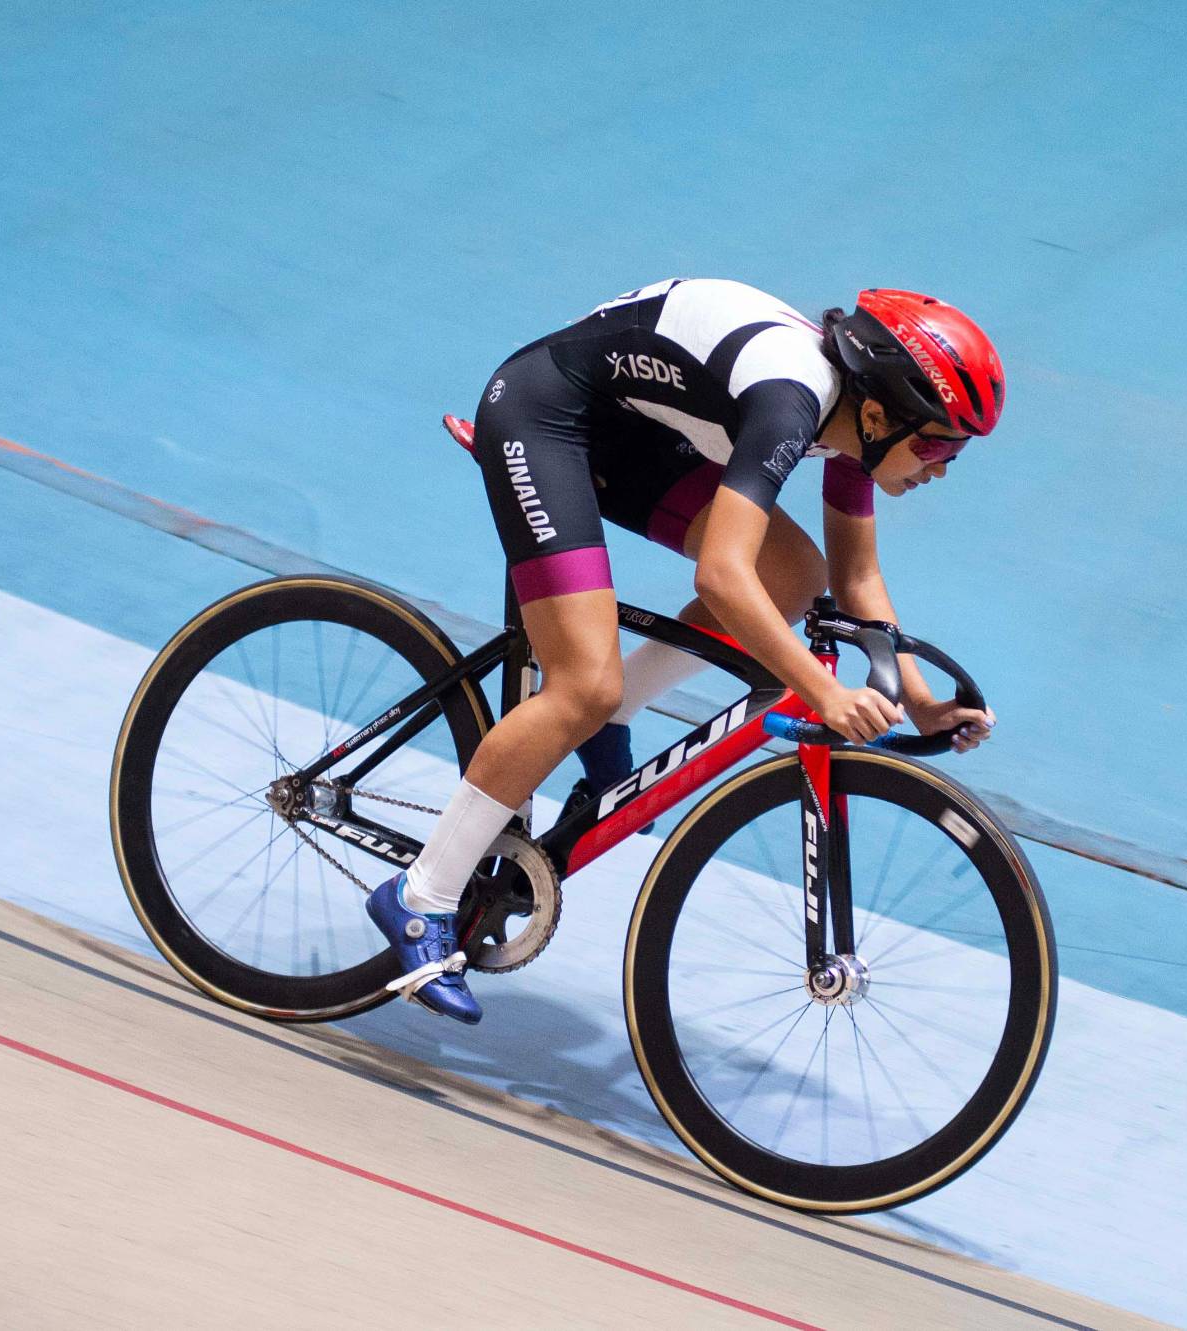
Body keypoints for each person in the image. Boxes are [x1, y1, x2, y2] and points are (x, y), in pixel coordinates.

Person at [365, 279, 1004, 1023]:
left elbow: (855, 575)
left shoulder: (854, 429)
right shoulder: (791, 400)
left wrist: (921, 702)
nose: (943, 465)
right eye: (936, 442)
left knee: (796, 575)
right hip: (544, 415)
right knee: (582, 685)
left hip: (629, 427)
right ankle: (419, 897)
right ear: (877, 412)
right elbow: (722, 578)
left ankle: (611, 717)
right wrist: (823, 691)